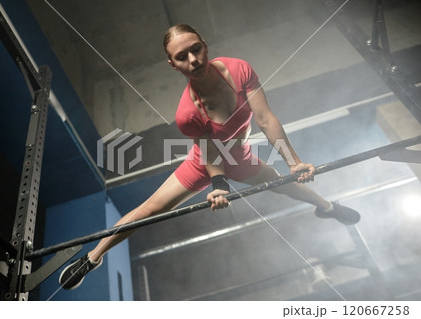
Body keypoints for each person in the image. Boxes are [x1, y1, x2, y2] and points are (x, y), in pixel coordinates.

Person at [59, 24, 360, 290]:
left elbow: (266, 119)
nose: (193, 60)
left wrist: (294, 161)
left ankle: (327, 207)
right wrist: (219, 185)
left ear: (205, 45)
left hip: (239, 155)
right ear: (173, 65)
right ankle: (93, 258)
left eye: (196, 49)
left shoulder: (240, 69)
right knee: (150, 209)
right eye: (182, 57)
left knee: (285, 183)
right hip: (204, 161)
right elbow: (211, 151)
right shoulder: (187, 113)